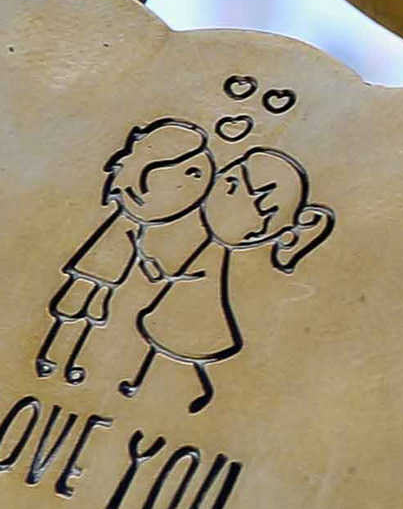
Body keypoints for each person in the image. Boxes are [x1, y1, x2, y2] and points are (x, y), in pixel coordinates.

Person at [114, 145, 335, 416]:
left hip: (195, 307)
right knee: (168, 342)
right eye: (226, 180)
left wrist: (158, 268)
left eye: (232, 186)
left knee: (183, 344)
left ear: (258, 230)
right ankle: (146, 383)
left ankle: (198, 391)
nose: (215, 189)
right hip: (185, 304)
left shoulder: (209, 257)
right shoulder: (203, 248)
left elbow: (187, 275)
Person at [40, 119, 211, 386]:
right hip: (93, 271)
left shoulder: (135, 228)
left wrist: (156, 270)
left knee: (87, 316)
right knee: (72, 311)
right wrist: (152, 268)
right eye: (187, 173)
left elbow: (139, 251)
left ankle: (63, 361)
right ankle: (50, 356)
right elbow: (137, 249)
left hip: (108, 277)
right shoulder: (127, 225)